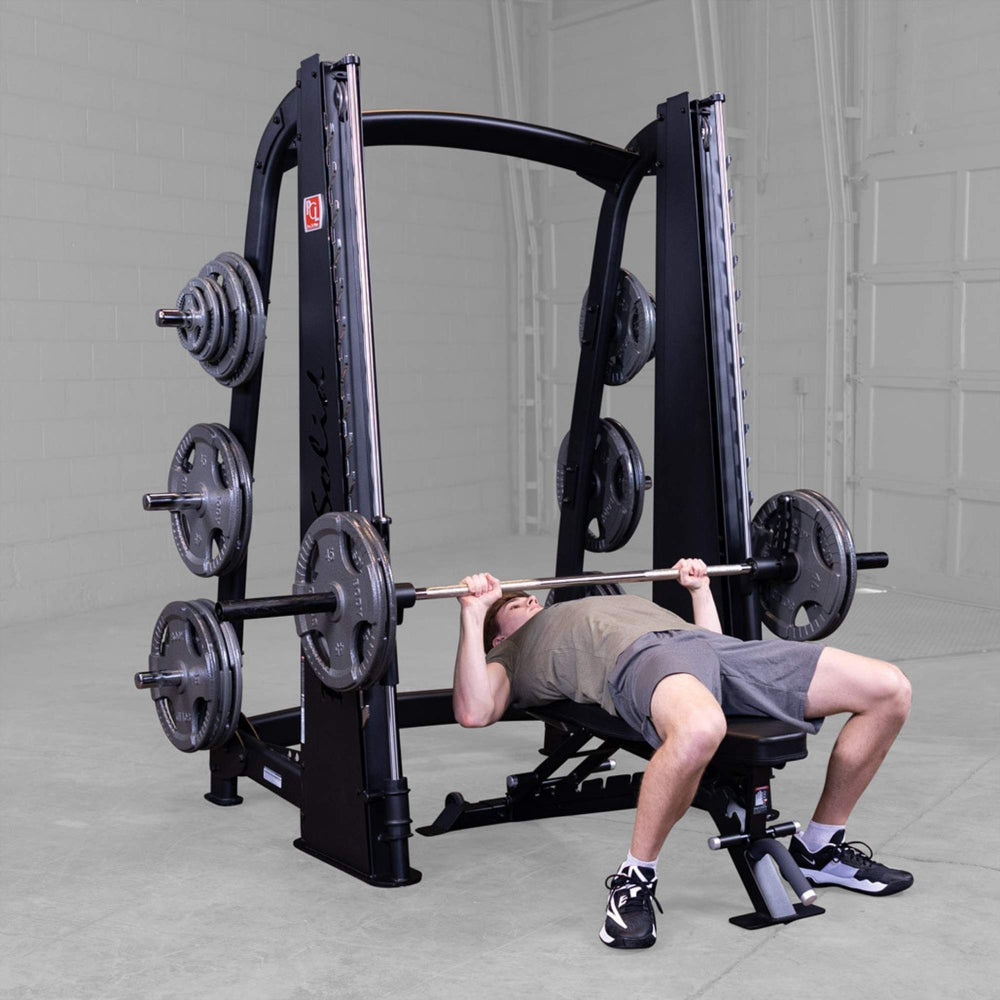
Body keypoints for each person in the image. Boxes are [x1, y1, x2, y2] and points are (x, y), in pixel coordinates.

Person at [452, 560, 913, 950]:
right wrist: (473, 615)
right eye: (515, 604)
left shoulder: (596, 602)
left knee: (890, 689)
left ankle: (819, 849)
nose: (531, 601)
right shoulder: (511, 653)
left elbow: (707, 664)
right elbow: (474, 711)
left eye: (530, 598)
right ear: (498, 637)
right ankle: (634, 880)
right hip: (638, 658)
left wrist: (700, 590)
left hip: (712, 649)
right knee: (700, 728)